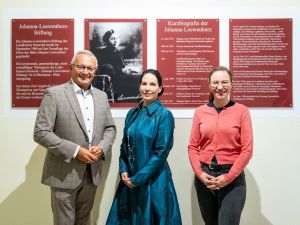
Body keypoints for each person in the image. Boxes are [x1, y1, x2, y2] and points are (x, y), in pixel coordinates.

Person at [33, 50, 116, 225]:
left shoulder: (102, 97)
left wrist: (102, 147)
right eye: (81, 67)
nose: (85, 72)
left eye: (90, 68)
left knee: (84, 221)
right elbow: (41, 132)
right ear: (71, 67)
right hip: (63, 174)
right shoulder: (54, 94)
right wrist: (76, 151)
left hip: (91, 173)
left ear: (95, 71)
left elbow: (110, 128)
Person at [106, 69, 182, 225]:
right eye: (144, 83)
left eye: (152, 84)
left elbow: (161, 153)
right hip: (129, 181)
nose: (147, 88)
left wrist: (137, 179)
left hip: (153, 182)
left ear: (160, 88)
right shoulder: (132, 113)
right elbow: (124, 146)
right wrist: (123, 170)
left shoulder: (164, 115)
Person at [188, 66, 253, 225]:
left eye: (224, 82)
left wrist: (228, 177)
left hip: (232, 177)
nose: (220, 87)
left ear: (231, 84)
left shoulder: (242, 111)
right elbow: (193, 147)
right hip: (205, 177)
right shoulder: (200, 112)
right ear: (209, 85)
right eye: (215, 82)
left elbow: (247, 150)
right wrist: (200, 174)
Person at [93, 29, 139, 102]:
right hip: (113, 81)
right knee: (134, 86)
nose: (116, 41)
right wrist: (122, 70)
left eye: (117, 38)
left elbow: (121, 65)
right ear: (106, 41)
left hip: (120, 77)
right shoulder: (104, 53)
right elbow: (106, 68)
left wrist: (126, 69)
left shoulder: (117, 51)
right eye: (113, 39)